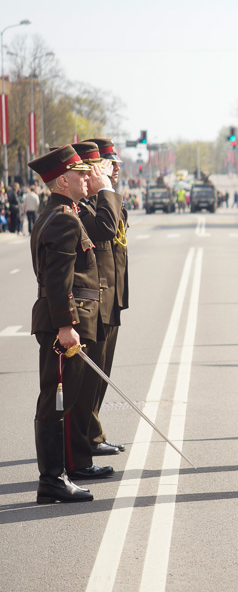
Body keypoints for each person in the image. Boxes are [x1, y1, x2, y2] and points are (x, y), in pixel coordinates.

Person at [28, 145, 107, 503]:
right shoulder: (63, 217)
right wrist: (65, 326)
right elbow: (59, 279)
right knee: (56, 402)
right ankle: (52, 479)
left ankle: (55, 477)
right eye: (80, 173)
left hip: (64, 320)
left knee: (60, 399)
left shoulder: (59, 213)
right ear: (64, 179)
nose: (87, 177)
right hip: (63, 324)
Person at [80, 138, 130, 455]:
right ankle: (85, 440)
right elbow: (107, 229)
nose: (115, 171)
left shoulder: (105, 200)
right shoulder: (84, 207)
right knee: (87, 380)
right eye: (110, 165)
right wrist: (105, 191)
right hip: (94, 304)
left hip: (111, 299)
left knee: (100, 378)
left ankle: (92, 433)